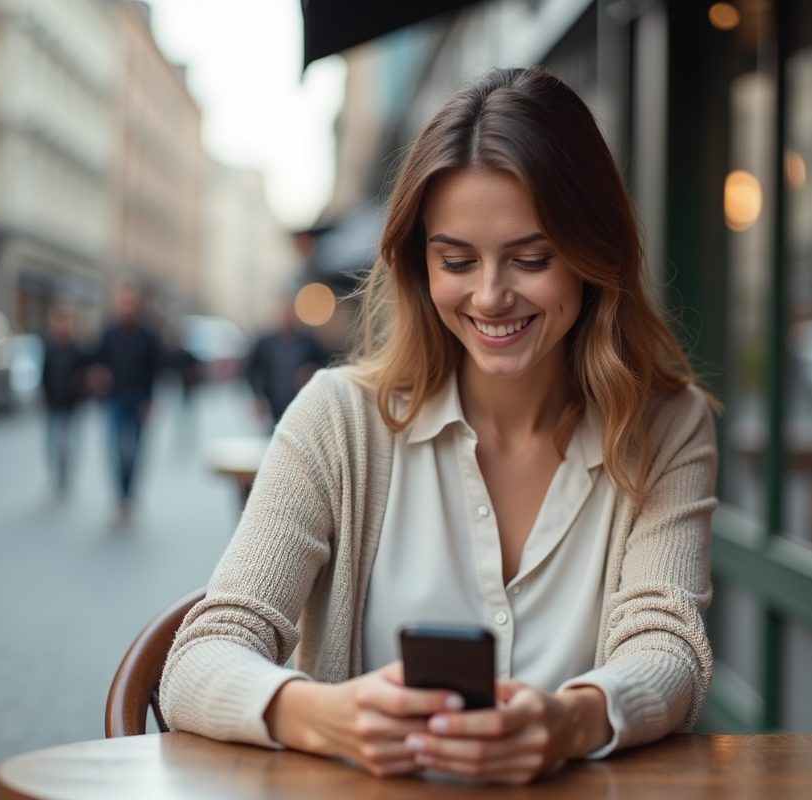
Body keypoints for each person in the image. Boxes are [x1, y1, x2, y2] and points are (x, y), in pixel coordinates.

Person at [160, 67, 718, 784]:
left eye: (532, 258)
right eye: (457, 259)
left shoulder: (669, 424)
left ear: (594, 255)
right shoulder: (338, 418)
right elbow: (200, 656)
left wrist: (569, 722)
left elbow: (667, 644)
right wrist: (327, 716)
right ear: (419, 266)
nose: (490, 296)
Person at [91, 283, 161, 525]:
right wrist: (98, 377)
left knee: (135, 453)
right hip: (115, 400)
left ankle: (129, 496)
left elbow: (155, 370)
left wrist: (151, 401)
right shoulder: (108, 333)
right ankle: (120, 497)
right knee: (115, 450)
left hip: (139, 399)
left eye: (131, 301)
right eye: (123, 301)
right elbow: (98, 362)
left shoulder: (148, 335)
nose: (127, 305)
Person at [246, 297, 329, 428]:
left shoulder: (308, 342)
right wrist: (257, 397)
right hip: (273, 402)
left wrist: (311, 371)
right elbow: (251, 370)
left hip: (300, 402)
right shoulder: (266, 343)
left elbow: (324, 365)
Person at [40, 305, 87, 497]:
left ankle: (66, 474)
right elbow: (44, 375)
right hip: (53, 403)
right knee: (52, 442)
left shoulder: (76, 349)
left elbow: (83, 377)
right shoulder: (49, 347)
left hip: (71, 404)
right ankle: (56, 475)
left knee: (70, 442)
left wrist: (80, 394)